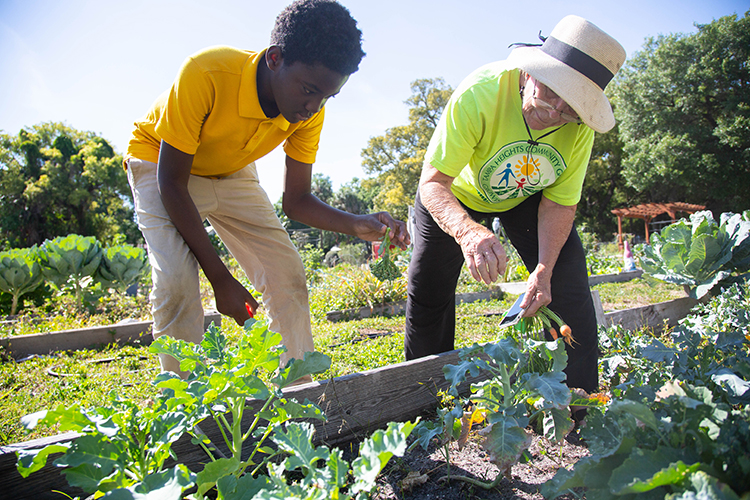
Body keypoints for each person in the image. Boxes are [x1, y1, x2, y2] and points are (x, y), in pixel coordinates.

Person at [125, 0, 409, 376]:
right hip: (163, 164)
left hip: (233, 171)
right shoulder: (206, 71)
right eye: (308, 90)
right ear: (275, 58)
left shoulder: (308, 109)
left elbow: (297, 200)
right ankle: (183, 409)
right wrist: (222, 280)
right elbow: (172, 184)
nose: (313, 106)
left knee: (287, 273)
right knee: (177, 284)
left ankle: (296, 389)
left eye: (326, 96)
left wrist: (357, 224)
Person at [404, 15, 626, 401]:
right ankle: (426, 401)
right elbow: (433, 185)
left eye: (570, 108)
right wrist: (469, 230)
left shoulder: (578, 126)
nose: (553, 112)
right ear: (531, 70)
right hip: (455, 196)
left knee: (565, 281)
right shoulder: (481, 93)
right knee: (430, 291)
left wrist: (543, 270)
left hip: (527, 195)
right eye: (550, 91)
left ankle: (574, 399)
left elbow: (560, 203)